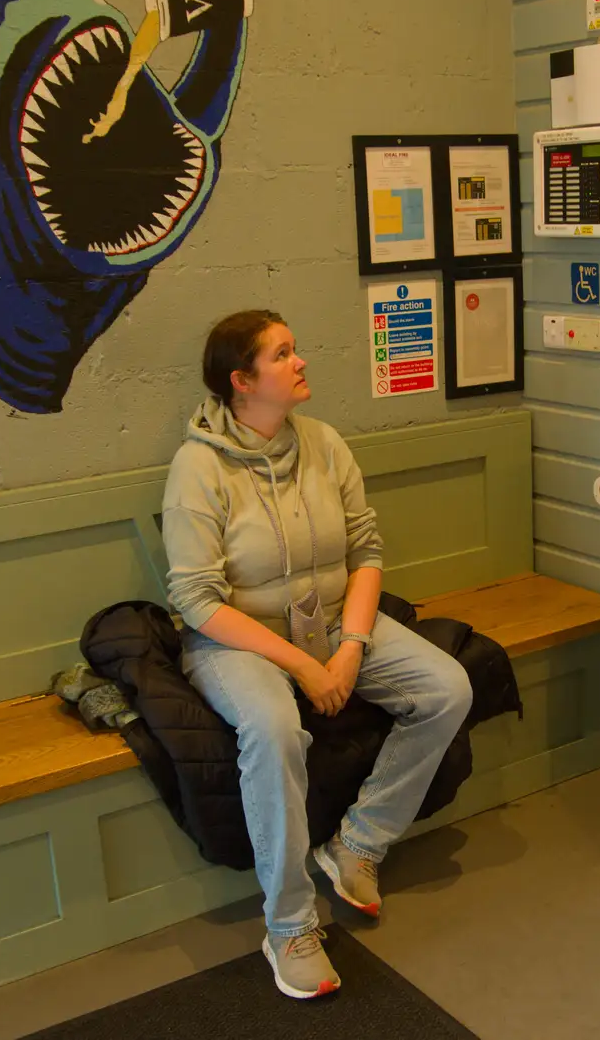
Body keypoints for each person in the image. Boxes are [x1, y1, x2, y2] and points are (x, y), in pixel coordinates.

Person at [161, 309, 473, 999]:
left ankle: (358, 844)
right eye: (282, 354)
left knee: (448, 686)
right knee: (273, 728)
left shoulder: (325, 444)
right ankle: (289, 924)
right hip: (236, 639)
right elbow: (197, 600)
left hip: (333, 620)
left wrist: (352, 647)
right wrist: (304, 666)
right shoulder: (198, 467)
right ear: (243, 382)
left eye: (295, 349)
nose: (301, 362)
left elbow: (366, 553)